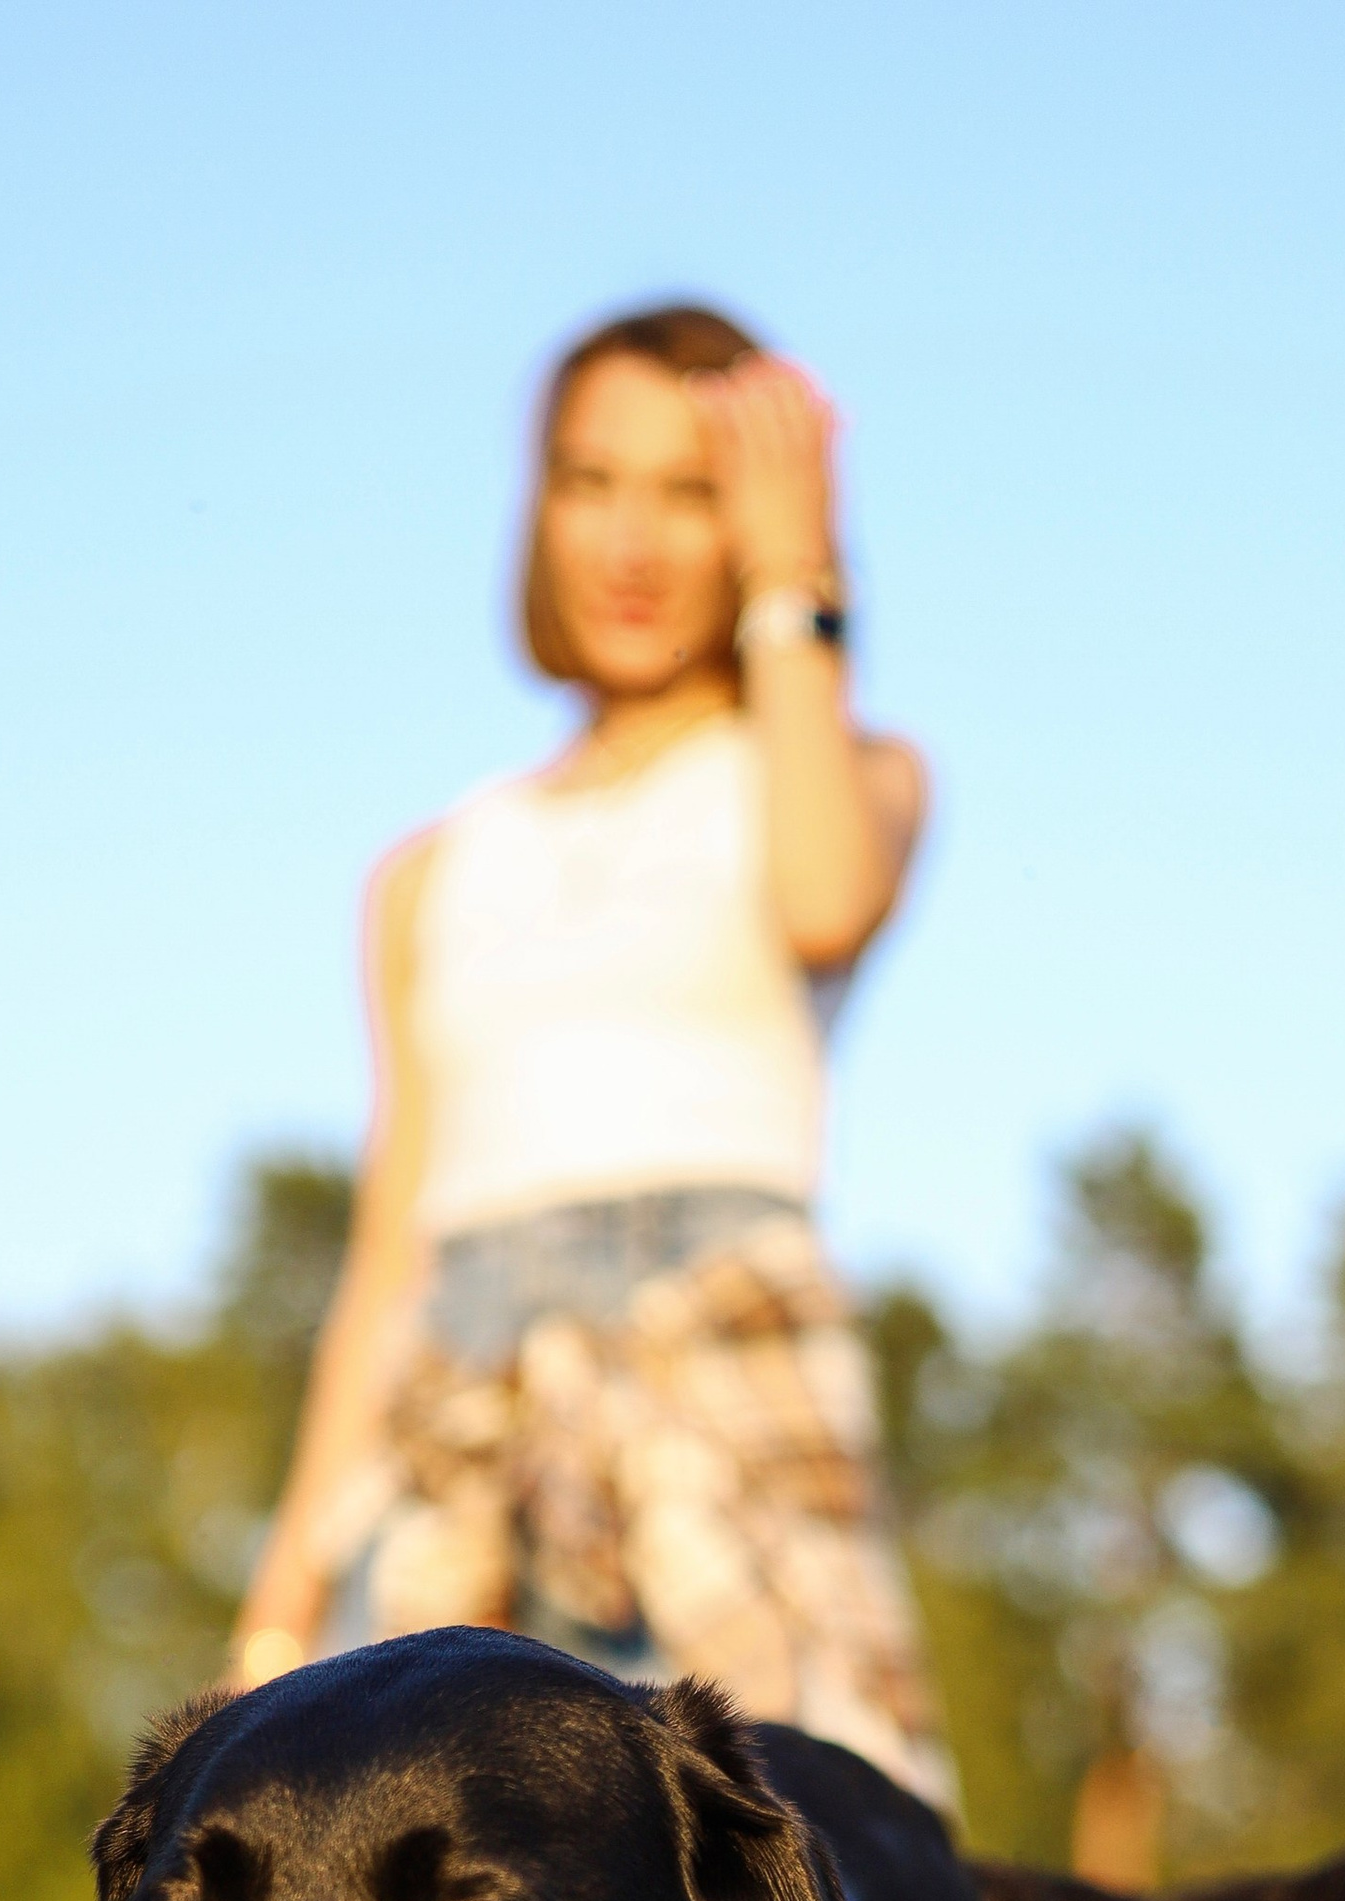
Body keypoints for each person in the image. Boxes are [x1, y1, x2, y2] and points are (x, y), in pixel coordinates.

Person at [229, 299, 951, 1809]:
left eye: (692, 493)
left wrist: (799, 582)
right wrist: (286, 1590)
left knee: (795, 1882)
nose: (631, 541)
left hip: (718, 1382)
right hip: (464, 1419)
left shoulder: (842, 775)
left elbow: (825, 904)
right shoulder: (432, 871)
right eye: (589, 482)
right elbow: (390, 1248)